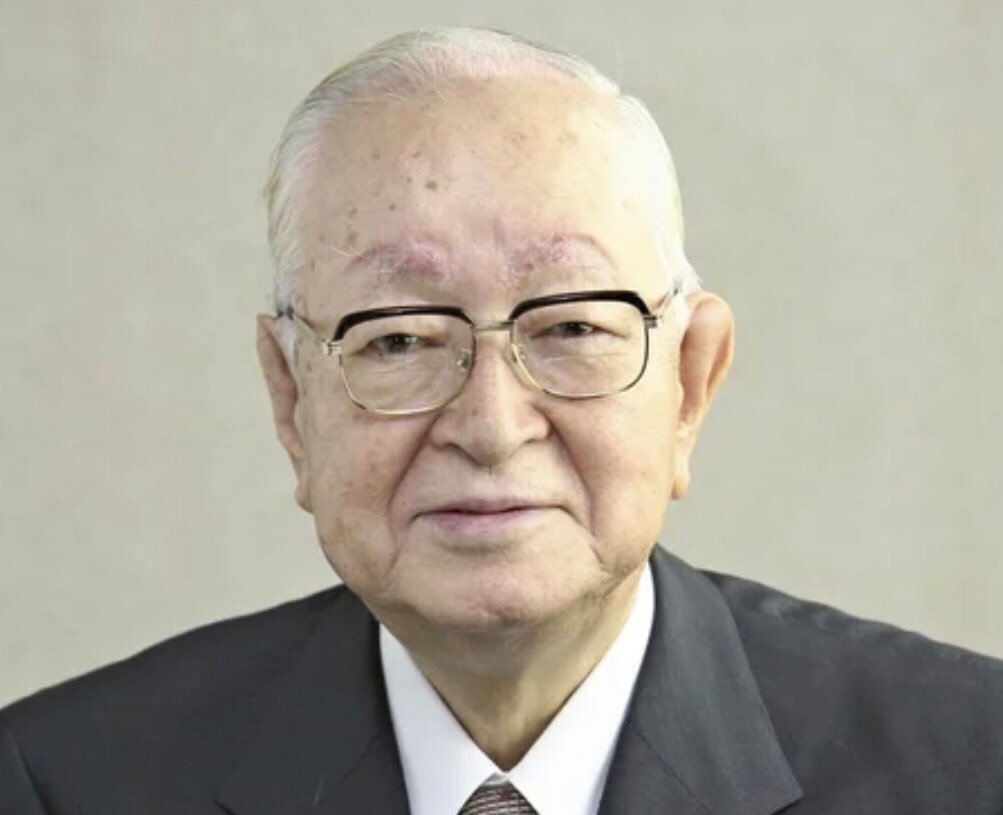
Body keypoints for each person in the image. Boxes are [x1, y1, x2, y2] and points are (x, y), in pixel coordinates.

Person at [2, 27, 1001, 815]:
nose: (488, 425)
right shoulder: (64, 782)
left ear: (690, 385)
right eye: (398, 338)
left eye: (570, 327)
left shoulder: (970, 763)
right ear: (291, 402)